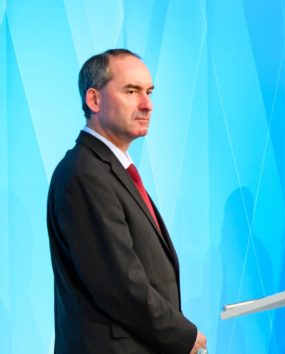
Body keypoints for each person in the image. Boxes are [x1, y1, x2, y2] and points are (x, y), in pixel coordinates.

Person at [47, 49, 207, 354]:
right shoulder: (84, 173)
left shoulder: (109, 169)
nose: (147, 104)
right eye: (131, 91)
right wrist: (182, 335)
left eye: (149, 92)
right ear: (94, 100)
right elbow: (119, 284)